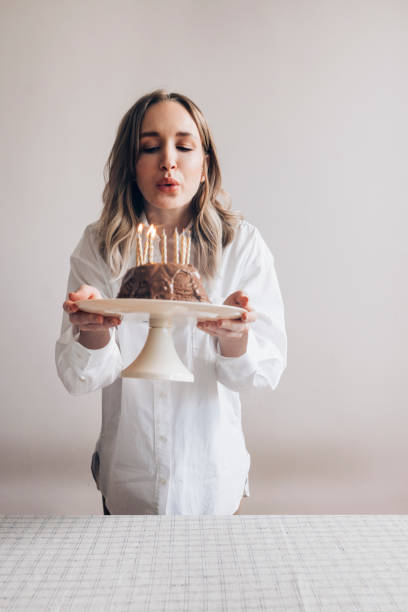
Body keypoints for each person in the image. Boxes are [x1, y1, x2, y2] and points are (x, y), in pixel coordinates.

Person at [55, 89, 287, 515]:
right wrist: (92, 332)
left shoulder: (242, 247)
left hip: (212, 483)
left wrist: (235, 339)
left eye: (184, 146)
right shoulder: (99, 247)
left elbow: (263, 373)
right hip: (128, 482)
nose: (168, 161)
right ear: (130, 164)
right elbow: (78, 379)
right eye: (149, 147)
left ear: (205, 165)